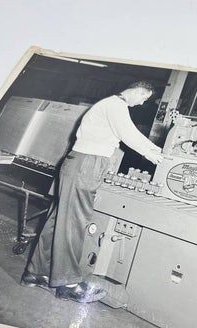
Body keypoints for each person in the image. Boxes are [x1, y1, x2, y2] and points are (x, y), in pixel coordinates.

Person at [21, 81, 163, 303]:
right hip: (87, 163)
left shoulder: (107, 105)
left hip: (81, 162)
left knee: (59, 220)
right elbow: (128, 133)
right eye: (144, 98)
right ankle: (67, 283)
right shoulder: (116, 105)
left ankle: (35, 273)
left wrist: (151, 149)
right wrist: (154, 153)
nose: (143, 103)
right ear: (138, 91)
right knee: (75, 222)